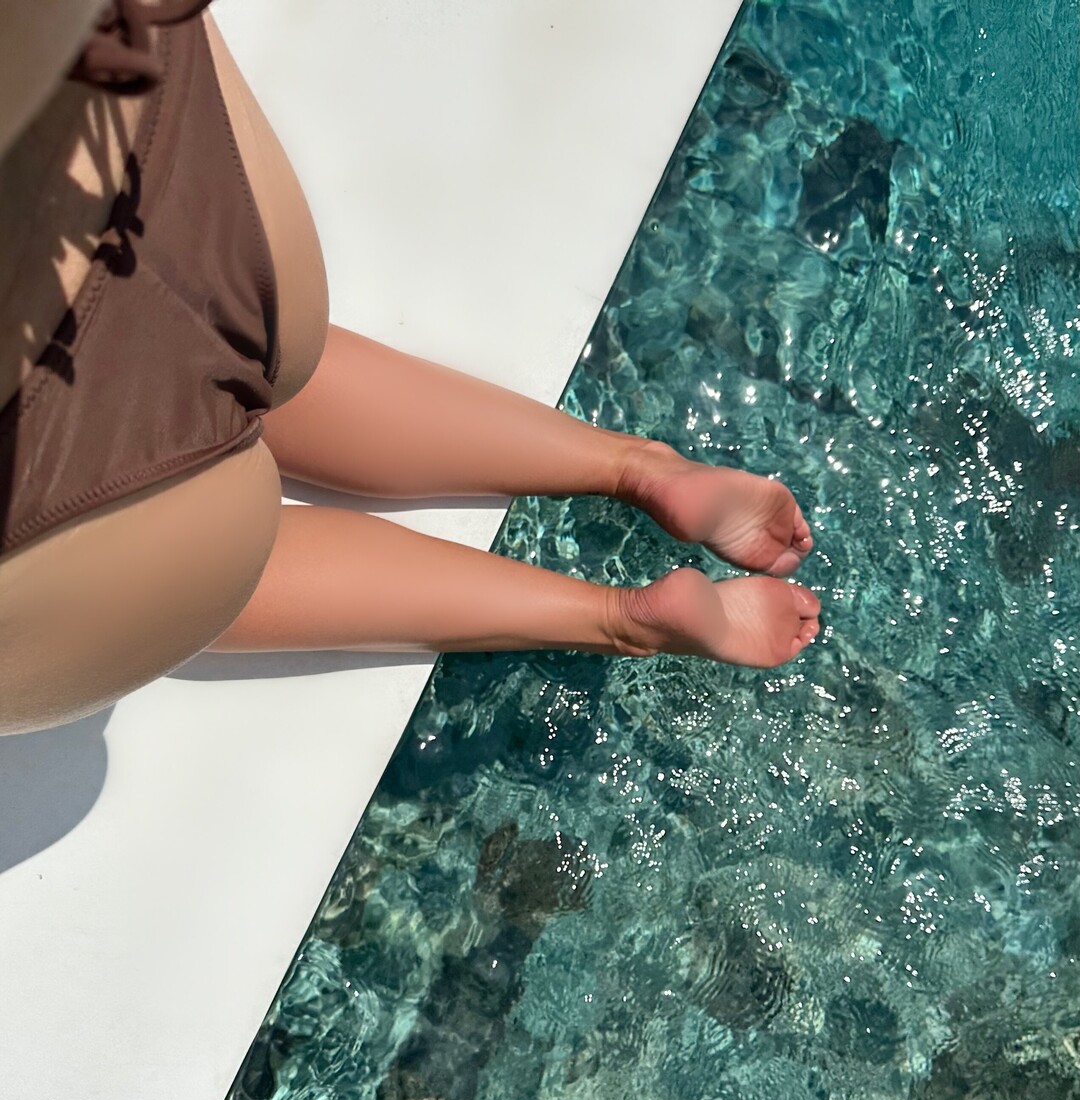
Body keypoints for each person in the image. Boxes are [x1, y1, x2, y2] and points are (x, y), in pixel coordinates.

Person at [0, 0, 820, 737]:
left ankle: (619, 616)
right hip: (182, 173)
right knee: (234, 356)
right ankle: (640, 466)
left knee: (180, 554)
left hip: (65, 496)